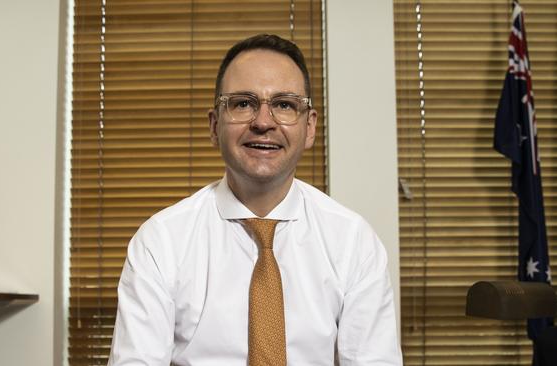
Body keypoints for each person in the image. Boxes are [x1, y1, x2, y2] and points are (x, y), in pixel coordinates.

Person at [107, 34, 403, 365]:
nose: (263, 122)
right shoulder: (160, 241)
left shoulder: (353, 241)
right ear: (214, 125)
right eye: (243, 103)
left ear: (309, 128)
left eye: (284, 105)